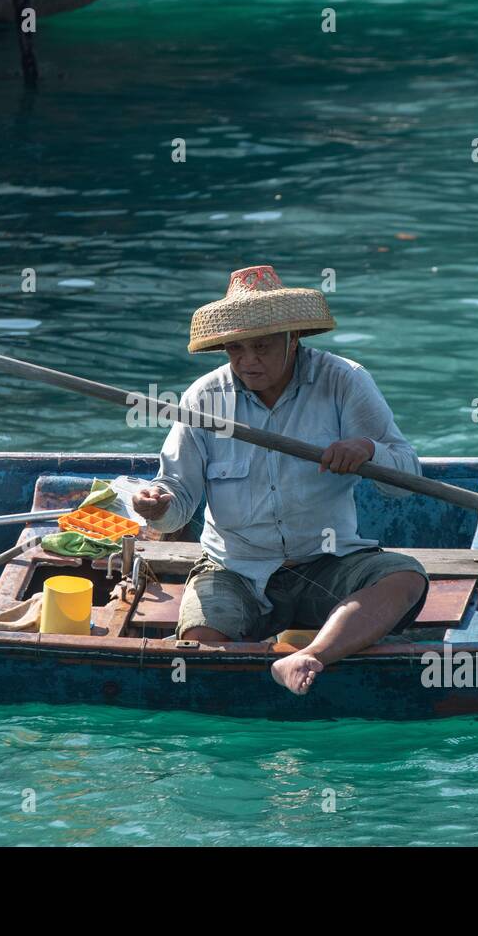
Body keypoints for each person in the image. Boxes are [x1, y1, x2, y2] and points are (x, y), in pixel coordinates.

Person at [132, 265, 428, 696]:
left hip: (327, 559)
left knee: (405, 578)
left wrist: (368, 451)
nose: (248, 361)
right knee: (198, 646)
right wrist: (157, 505)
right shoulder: (202, 398)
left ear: (294, 339)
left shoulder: (344, 381)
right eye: (235, 349)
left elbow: (405, 480)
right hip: (232, 568)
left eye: (262, 347)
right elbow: (176, 495)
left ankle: (310, 656)